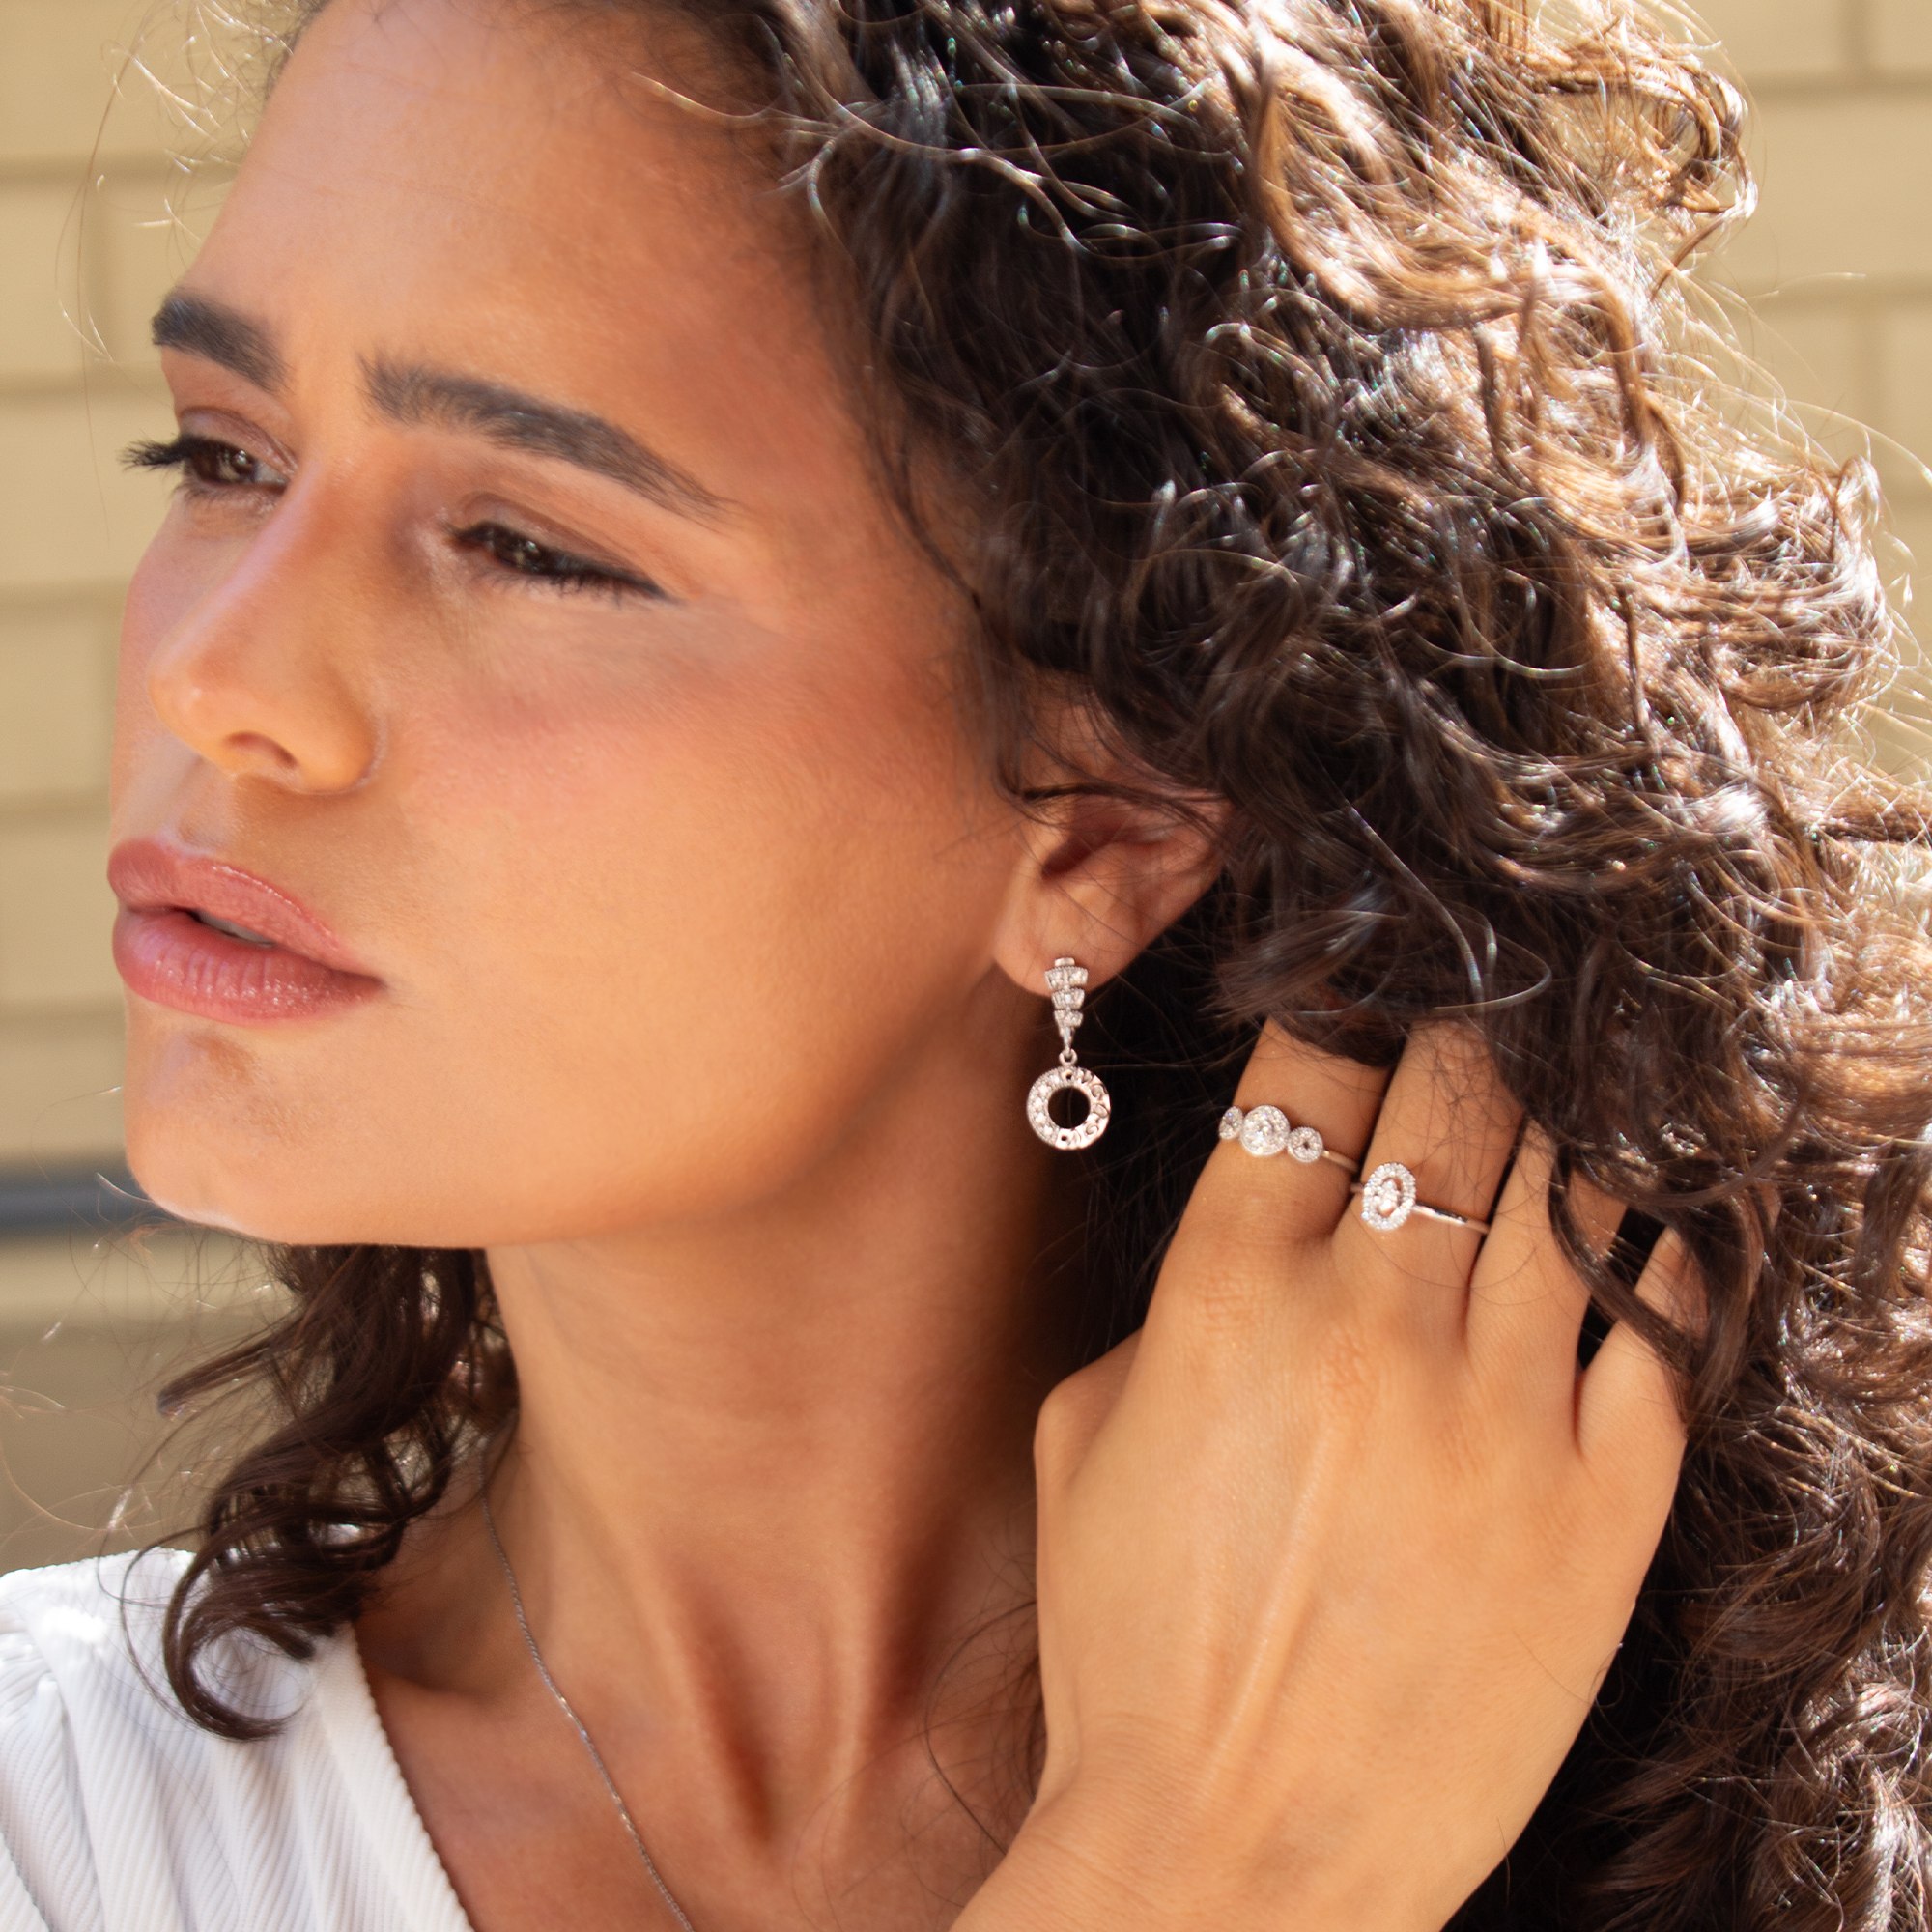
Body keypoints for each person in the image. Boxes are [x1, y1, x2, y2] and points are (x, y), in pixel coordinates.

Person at [1, 0, 1927, 1926]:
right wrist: (1195, 1871)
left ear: (1099, 819)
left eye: (521, 541)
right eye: (227, 453)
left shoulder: (1784, 1800)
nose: (213, 674)